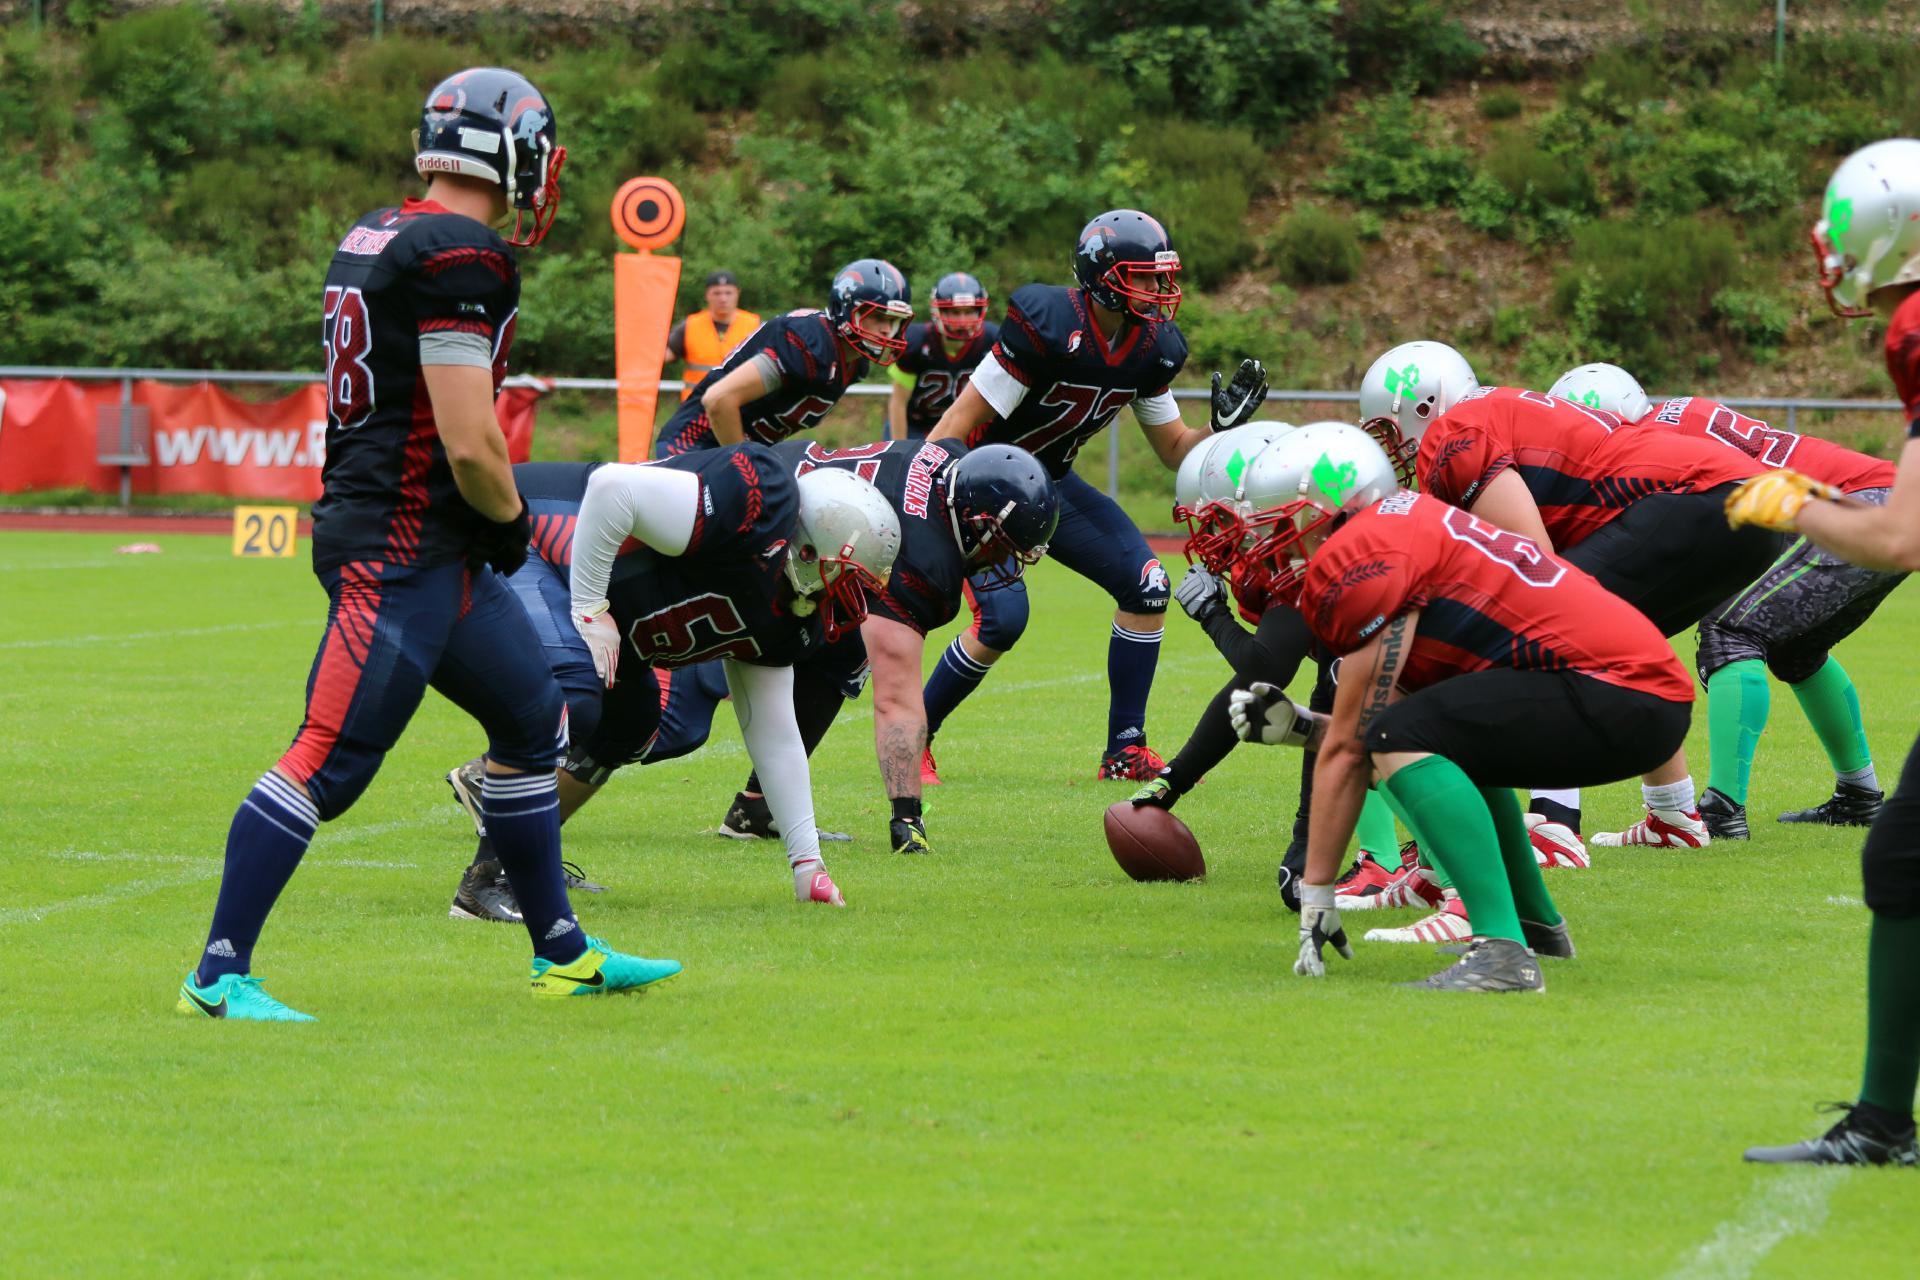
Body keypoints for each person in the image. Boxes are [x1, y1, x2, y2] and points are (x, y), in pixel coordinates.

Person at [176, 68, 679, 1021]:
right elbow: (469, 436)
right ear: (509, 153)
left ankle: (562, 951)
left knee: (533, 722)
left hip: (425, 542)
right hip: (399, 545)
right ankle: (218, 973)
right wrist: (510, 520)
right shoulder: (460, 253)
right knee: (328, 757)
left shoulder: (379, 232)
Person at [1224, 425, 1694, 993]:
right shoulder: (1403, 523)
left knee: (1400, 734)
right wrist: (1305, 727)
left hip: (1614, 688)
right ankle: (1535, 926)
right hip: (1636, 691)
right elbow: (1401, 728)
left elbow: (1366, 740)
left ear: (1332, 511)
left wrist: (1317, 891)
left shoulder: (1371, 551)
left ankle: (1502, 952)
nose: (1271, 544)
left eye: (1282, 524)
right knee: (1442, 737)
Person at [1358, 341, 1779, 858]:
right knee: (1626, 643)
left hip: (1699, 498)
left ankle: (1554, 822)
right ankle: (1673, 814)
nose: (1393, 452)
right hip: (1747, 506)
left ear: (1424, 406)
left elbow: (1535, 565)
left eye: (1390, 433)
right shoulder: (1498, 410)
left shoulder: (1455, 431)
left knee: (1532, 621)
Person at [443, 447, 902, 917]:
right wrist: (590, 607)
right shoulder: (757, 506)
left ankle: (523, 857)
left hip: (584, 585)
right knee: (575, 694)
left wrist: (808, 865)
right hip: (529, 533)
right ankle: (486, 882)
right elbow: (612, 490)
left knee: (630, 723)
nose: (850, 597)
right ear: (807, 550)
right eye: (846, 577)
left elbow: (776, 737)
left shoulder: (787, 619)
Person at [921, 208, 1269, 781]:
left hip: (1052, 483)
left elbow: (1175, 449)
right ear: (1103, 276)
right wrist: (936, 497)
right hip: (980, 488)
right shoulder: (1048, 324)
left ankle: (1125, 749)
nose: (1159, 290)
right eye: (1146, 277)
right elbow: (954, 426)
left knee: (1147, 587)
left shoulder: (1153, 347)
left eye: (1162, 277)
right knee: (1003, 620)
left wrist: (1219, 428)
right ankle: (915, 734)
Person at [1740, 137, 1920, 1166]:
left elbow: (1901, 536)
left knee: (1903, 858)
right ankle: (1882, 1120)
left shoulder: (1916, 324)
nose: (1835, 251)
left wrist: (1793, 505)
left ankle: (1882, 1124)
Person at [1550, 362, 1901, 838]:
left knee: (1730, 632)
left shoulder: (1651, 442)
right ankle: (1859, 795)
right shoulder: (1682, 414)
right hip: (1885, 502)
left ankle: (1722, 810)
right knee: (1796, 650)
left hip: (1853, 507)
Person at [1134, 423, 1430, 911]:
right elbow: (1291, 696)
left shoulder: (1312, 549)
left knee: (1363, 714)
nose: (1211, 538)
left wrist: (1212, 615)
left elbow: (1264, 668)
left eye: (1217, 520)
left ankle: (1406, 862)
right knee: (1342, 698)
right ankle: (1413, 857)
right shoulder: (1298, 544)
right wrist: (1177, 777)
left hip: (1447, 659)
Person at [715, 440, 1058, 852]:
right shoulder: (926, 559)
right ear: (974, 520)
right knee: (678, 727)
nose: (1002, 561)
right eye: (1001, 545)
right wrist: (907, 819)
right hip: (746, 527)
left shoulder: (949, 461)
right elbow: (895, 699)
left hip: (772, 490)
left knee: (843, 652)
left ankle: (758, 807)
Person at [655, 258, 912, 457]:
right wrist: (746, 464)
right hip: (694, 443)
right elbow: (719, 399)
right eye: (877, 317)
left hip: (733, 448)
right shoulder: (809, 343)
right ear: (845, 309)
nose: (886, 330)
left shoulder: (855, 363)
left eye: (893, 321)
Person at [888, 272, 997, 439]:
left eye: (969, 311)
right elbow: (898, 403)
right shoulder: (917, 342)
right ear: (937, 312)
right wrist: (900, 447)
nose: (962, 321)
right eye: (954, 312)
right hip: (916, 426)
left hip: (965, 425)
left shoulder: (992, 340)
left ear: (981, 311)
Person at [667, 270, 760, 401]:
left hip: (740, 404)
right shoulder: (690, 325)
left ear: (737, 293)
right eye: (717, 293)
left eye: (728, 293)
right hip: (696, 404)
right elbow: (661, 356)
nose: (723, 298)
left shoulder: (755, 325)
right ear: (707, 295)